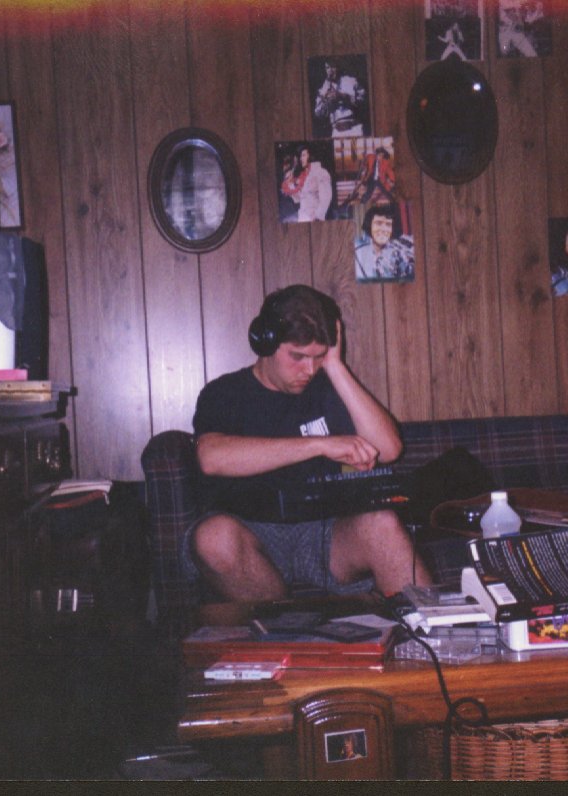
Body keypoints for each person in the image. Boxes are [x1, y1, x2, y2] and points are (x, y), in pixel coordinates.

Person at [182, 284, 432, 602]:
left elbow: (390, 450)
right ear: (265, 343)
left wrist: (336, 367)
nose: (309, 370)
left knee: (382, 522)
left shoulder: (325, 386)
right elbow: (212, 458)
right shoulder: (226, 392)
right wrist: (319, 445)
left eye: (318, 357)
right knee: (212, 538)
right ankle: (280, 621)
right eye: (297, 356)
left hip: (324, 532)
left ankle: (434, 627)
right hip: (250, 532)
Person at [354, 204, 414, 282]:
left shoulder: (401, 251)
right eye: (378, 223)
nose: (384, 229)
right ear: (369, 225)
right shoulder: (357, 253)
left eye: (388, 224)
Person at [313, 60, 367, 137]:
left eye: (333, 67)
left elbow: (363, 101)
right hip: (337, 132)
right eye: (327, 68)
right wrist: (325, 100)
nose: (330, 71)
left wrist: (343, 96)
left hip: (354, 129)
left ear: (338, 67)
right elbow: (318, 113)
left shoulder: (351, 81)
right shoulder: (323, 88)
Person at [280, 145, 333, 223]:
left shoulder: (321, 172)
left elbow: (326, 197)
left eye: (303, 155)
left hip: (314, 218)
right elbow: (299, 198)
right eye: (300, 156)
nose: (301, 159)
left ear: (310, 156)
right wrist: (290, 184)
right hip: (302, 216)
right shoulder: (304, 175)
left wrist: (318, 216)